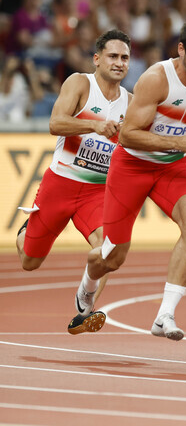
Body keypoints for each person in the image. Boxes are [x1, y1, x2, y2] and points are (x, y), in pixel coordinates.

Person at [71, 19, 186, 341]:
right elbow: (128, 136)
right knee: (113, 255)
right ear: (181, 49)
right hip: (132, 166)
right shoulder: (157, 79)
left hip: (171, 166)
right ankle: (88, 286)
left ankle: (164, 314)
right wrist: (182, 143)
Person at [16, 29, 131, 335]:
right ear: (97, 59)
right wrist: (96, 125)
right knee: (29, 261)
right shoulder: (81, 83)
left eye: (124, 58)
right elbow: (55, 123)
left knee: (109, 248)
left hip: (96, 191)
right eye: (113, 56)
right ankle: (25, 230)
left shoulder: (130, 102)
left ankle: (85, 306)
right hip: (61, 183)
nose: (119, 63)